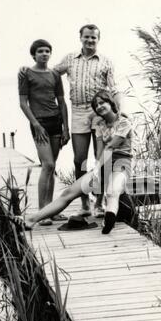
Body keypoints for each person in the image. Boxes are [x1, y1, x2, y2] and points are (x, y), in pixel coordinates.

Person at [19, 90, 133, 234]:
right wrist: (98, 169)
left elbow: (111, 146)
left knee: (113, 190)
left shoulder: (124, 122)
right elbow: (100, 151)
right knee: (68, 193)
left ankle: (108, 221)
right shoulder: (99, 125)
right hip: (104, 164)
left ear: (110, 102)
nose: (99, 107)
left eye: (102, 102)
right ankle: (31, 219)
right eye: (96, 105)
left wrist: (98, 169)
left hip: (121, 164)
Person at [54, 24, 123, 218]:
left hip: (99, 112)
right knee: (79, 160)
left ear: (98, 39)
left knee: (102, 159)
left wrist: (120, 113)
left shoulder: (106, 61)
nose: (90, 40)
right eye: (87, 37)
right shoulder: (70, 59)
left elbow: (114, 89)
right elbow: (52, 75)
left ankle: (99, 203)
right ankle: (85, 203)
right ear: (80, 37)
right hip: (77, 111)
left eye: (93, 38)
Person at [18, 39, 70, 226]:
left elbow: (62, 101)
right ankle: (42, 213)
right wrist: (35, 123)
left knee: (52, 166)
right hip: (39, 123)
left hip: (56, 122)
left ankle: (51, 211)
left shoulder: (55, 74)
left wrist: (66, 127)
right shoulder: (26, 74)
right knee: (47, 164)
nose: (44, 54)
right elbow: (23, 103)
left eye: (47, 51)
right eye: (40, 51)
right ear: (34, 54)